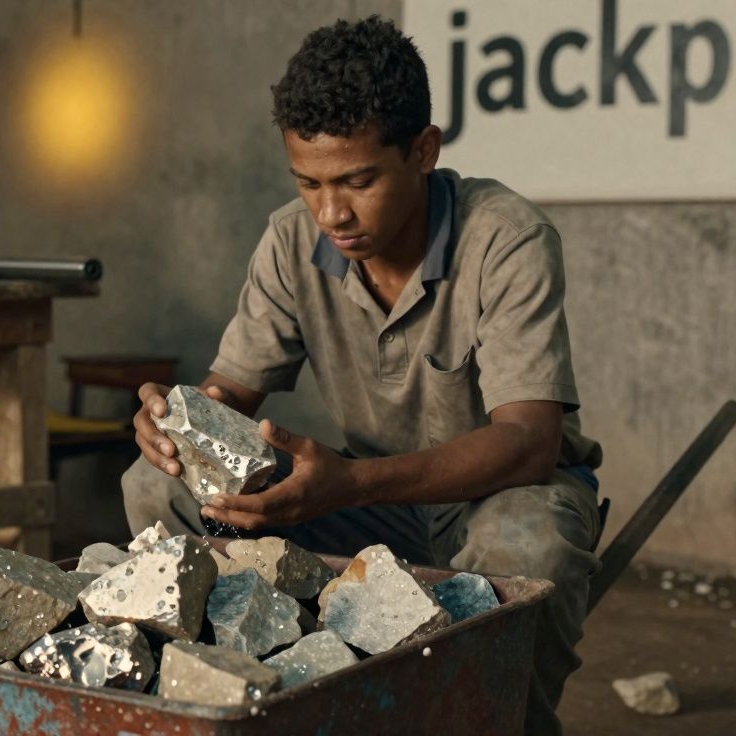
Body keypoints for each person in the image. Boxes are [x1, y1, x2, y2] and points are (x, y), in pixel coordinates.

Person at [122, 17, 602, 735]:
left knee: (528, 547)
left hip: (501, 495)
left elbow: (529, 442)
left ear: (423, 150)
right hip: (370, 497)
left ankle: (505, 722)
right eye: (309, 183)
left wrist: (348, 482)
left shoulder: (505, 237)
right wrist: (181, 423)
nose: (331, 213)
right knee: (154, 483)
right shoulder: (293, 238)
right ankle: (227, 700)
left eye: (358, 181)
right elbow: (229, 393)